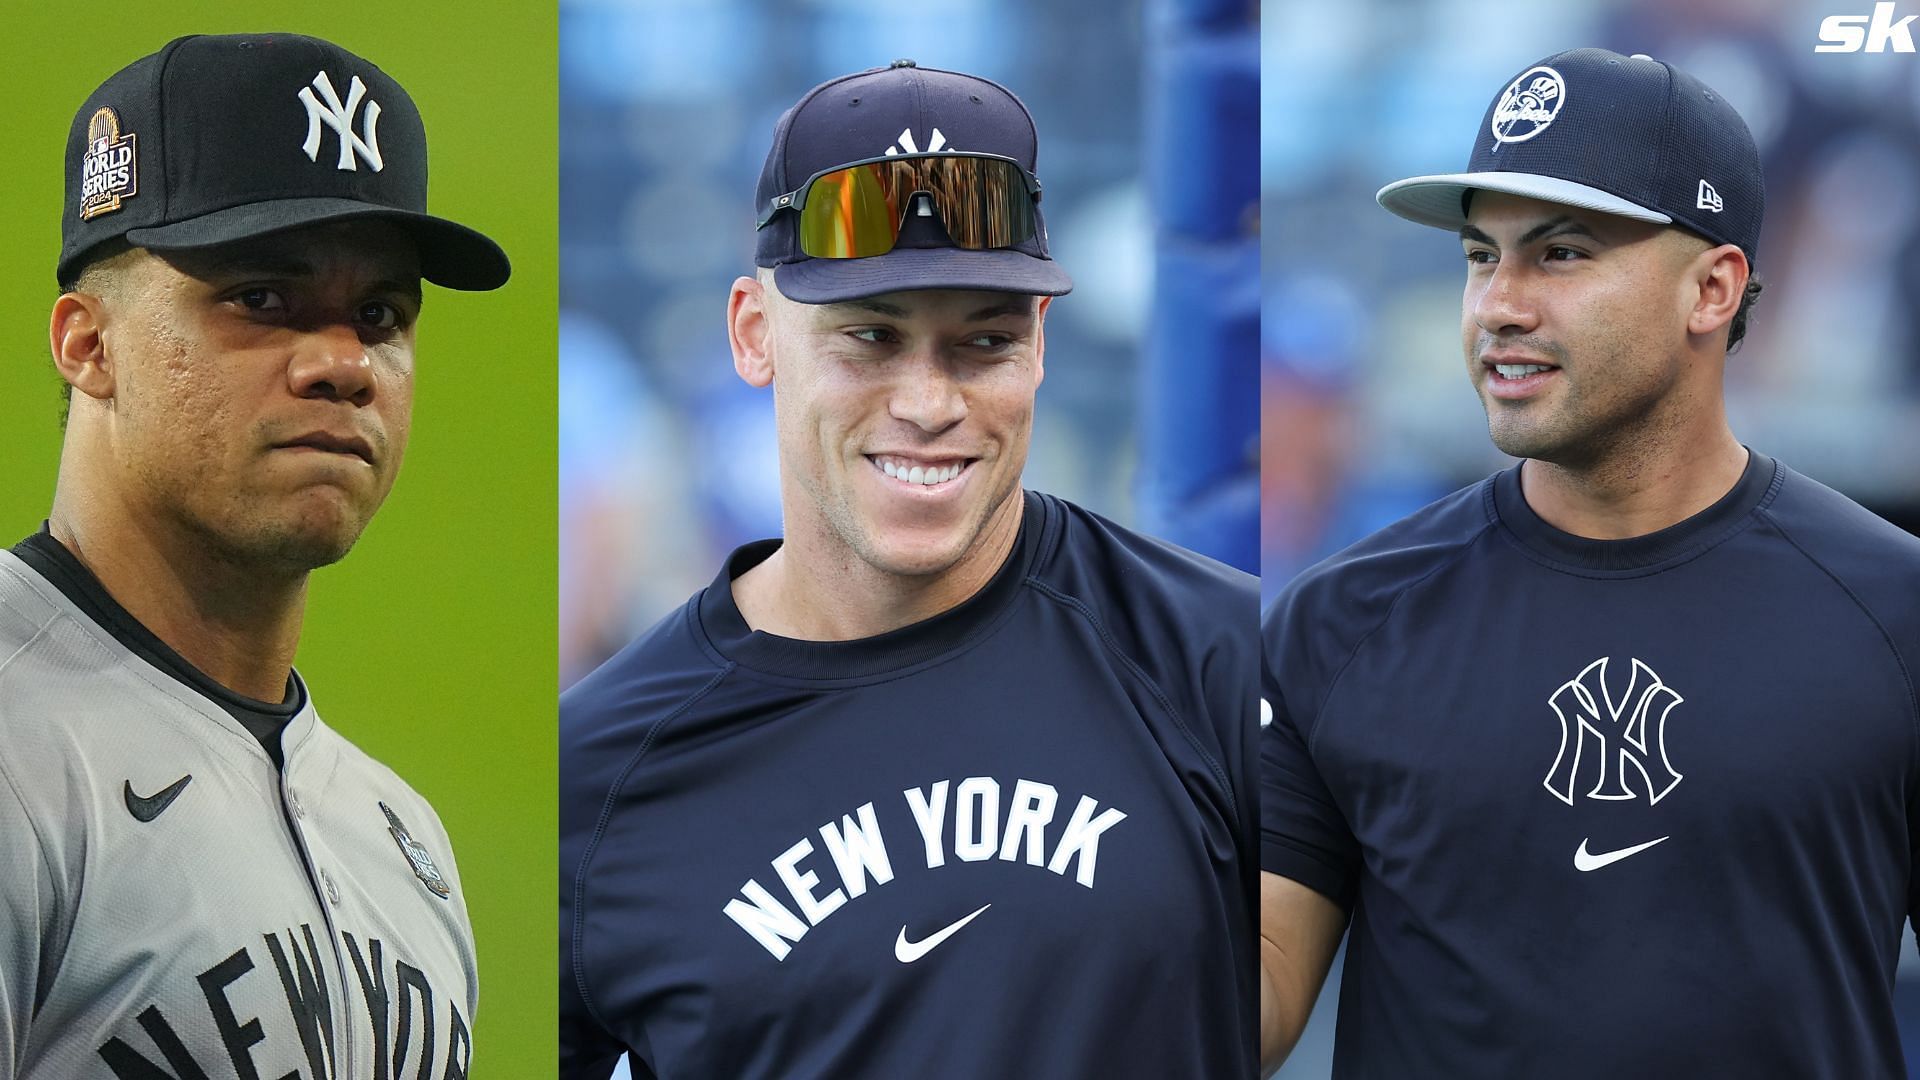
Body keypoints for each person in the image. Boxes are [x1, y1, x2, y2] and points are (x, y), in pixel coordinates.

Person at [560, 61, 1258, 1079]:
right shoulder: (601, 772)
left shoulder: (1223, 661)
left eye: (982, 341)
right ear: (754, 334)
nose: (928, 402)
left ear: (1042, 344)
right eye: (871, 337)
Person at [1258, 48, 1920, 1078]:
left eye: (1560, 254)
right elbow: (1239, 999)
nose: (1498, 306)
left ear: (1712, 288)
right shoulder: (1341, 621)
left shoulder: (1893, 610)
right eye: (1482, 255)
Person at [0, 33, 510, 1077]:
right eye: (262, 299)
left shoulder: (402, 839)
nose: (344, 364)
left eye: (381, 314)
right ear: (87, 345)